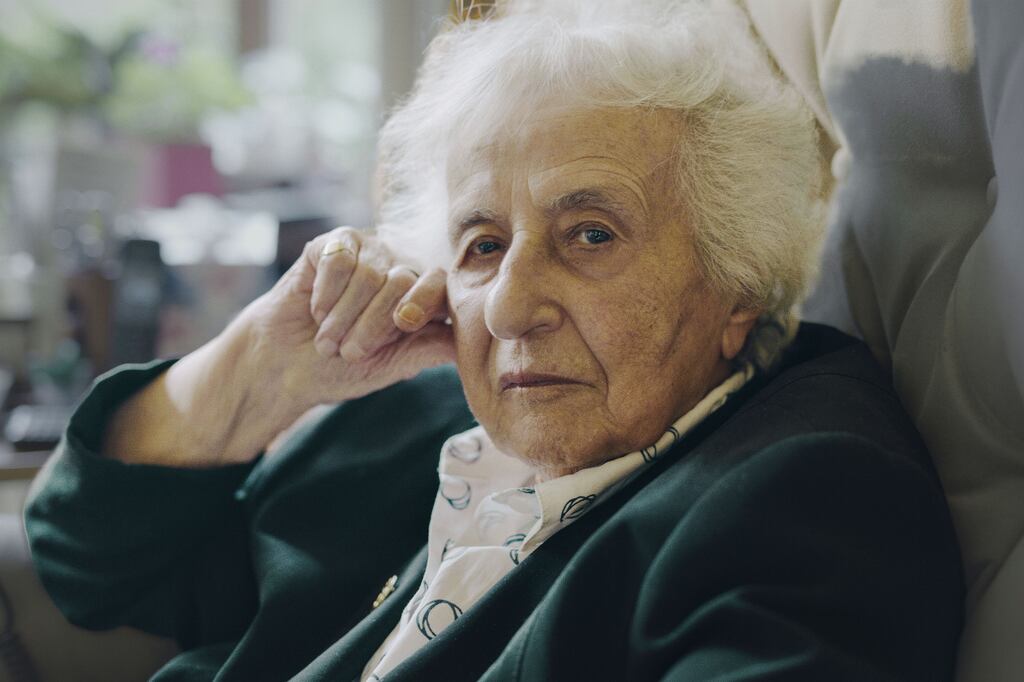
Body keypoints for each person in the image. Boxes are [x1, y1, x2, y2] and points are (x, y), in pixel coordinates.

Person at [24, 1, 963, 680]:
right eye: (482, 243)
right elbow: (86, 565)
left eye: (589, 234)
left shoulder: (807, 494)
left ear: (738, 283)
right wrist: (255, 374)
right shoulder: (411, 412)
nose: (510, 306)